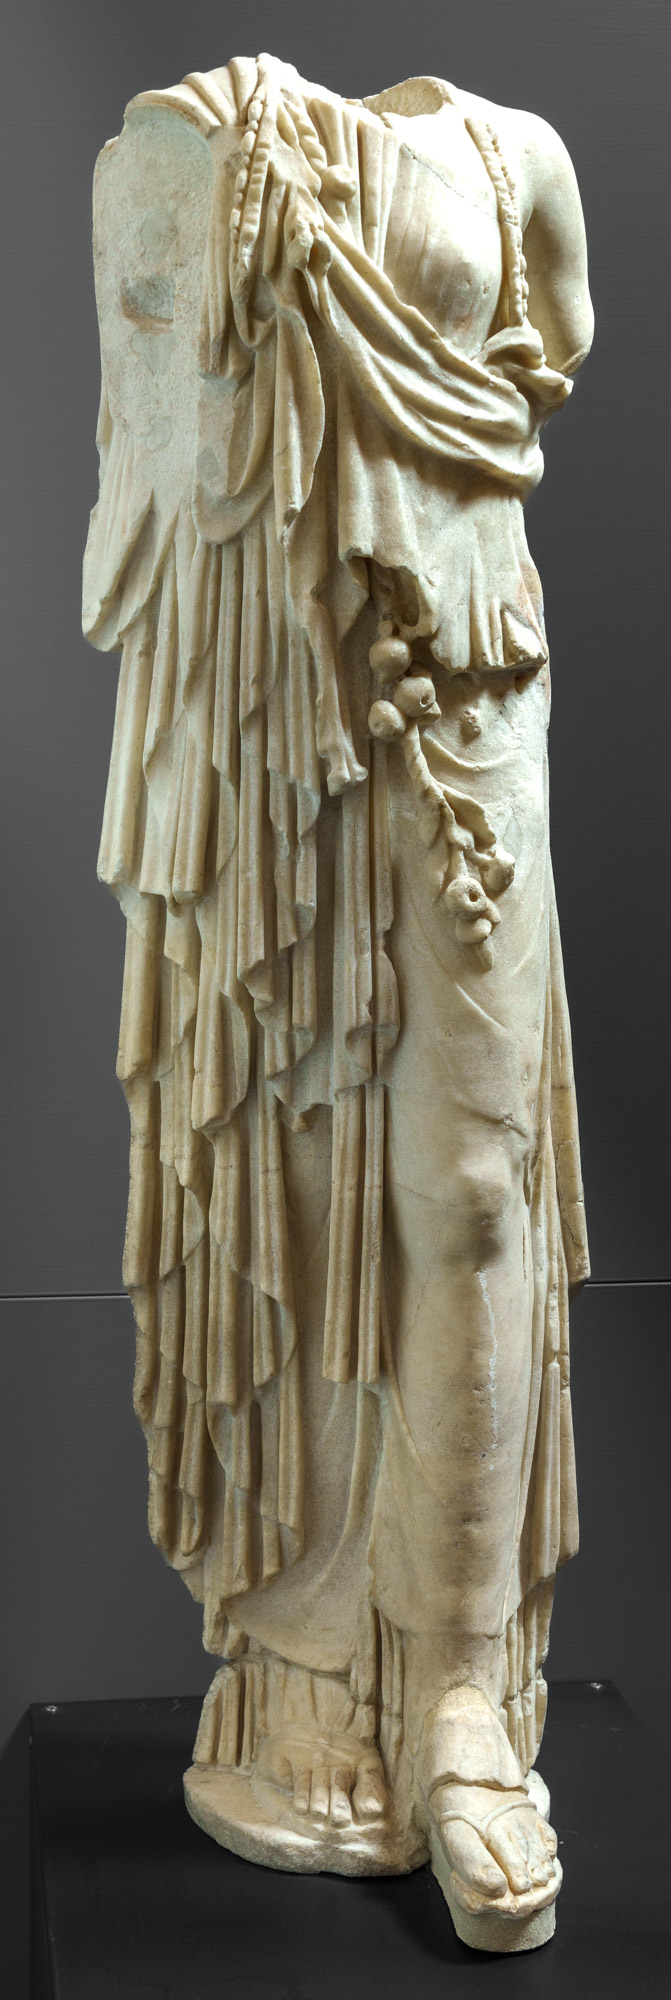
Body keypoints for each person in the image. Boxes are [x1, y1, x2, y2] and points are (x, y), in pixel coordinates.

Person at [83, 54, 592, 1948]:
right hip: (269, 719)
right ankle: (304, 1677)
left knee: (470, 1192)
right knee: (284, 1191)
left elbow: (548, 364)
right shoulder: (181, 142)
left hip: (465, 700)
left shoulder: (517, 162)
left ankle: (460, 1702)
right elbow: (150, 449)